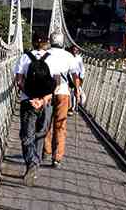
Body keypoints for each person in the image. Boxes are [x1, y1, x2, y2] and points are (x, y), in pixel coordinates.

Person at [14, 33, 73, 186]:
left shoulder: (24, 57)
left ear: (33, 42)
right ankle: (37, 163)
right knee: (41, 133)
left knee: (27, 135)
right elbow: (57, 82)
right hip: (46, 103)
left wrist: (30, 97)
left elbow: (19, 81)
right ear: (46, 43)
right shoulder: (51, 58)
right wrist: (43, 100)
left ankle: (32, 164)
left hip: (28, 101)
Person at [42, 34, 81, 167]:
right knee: (60, 124)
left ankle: (46, 149)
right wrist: (77, 90)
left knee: (46, 122)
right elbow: (75, 75)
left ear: (50, 42)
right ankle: (57, 157)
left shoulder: (44, 54)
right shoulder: (68, 56)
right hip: (63, 92)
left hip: (46, 92)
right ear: (62, 42)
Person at [67, 44, 85, 116]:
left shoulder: (79, 58)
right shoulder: (68, 57)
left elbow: (82, 68)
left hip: (77, 78)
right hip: (69, 78)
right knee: (71, 93)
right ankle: (72, 108)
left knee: (78, 93)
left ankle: (77, 106)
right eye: (74, 49)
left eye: (76, 50)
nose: (75, 51)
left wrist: (81, 77)